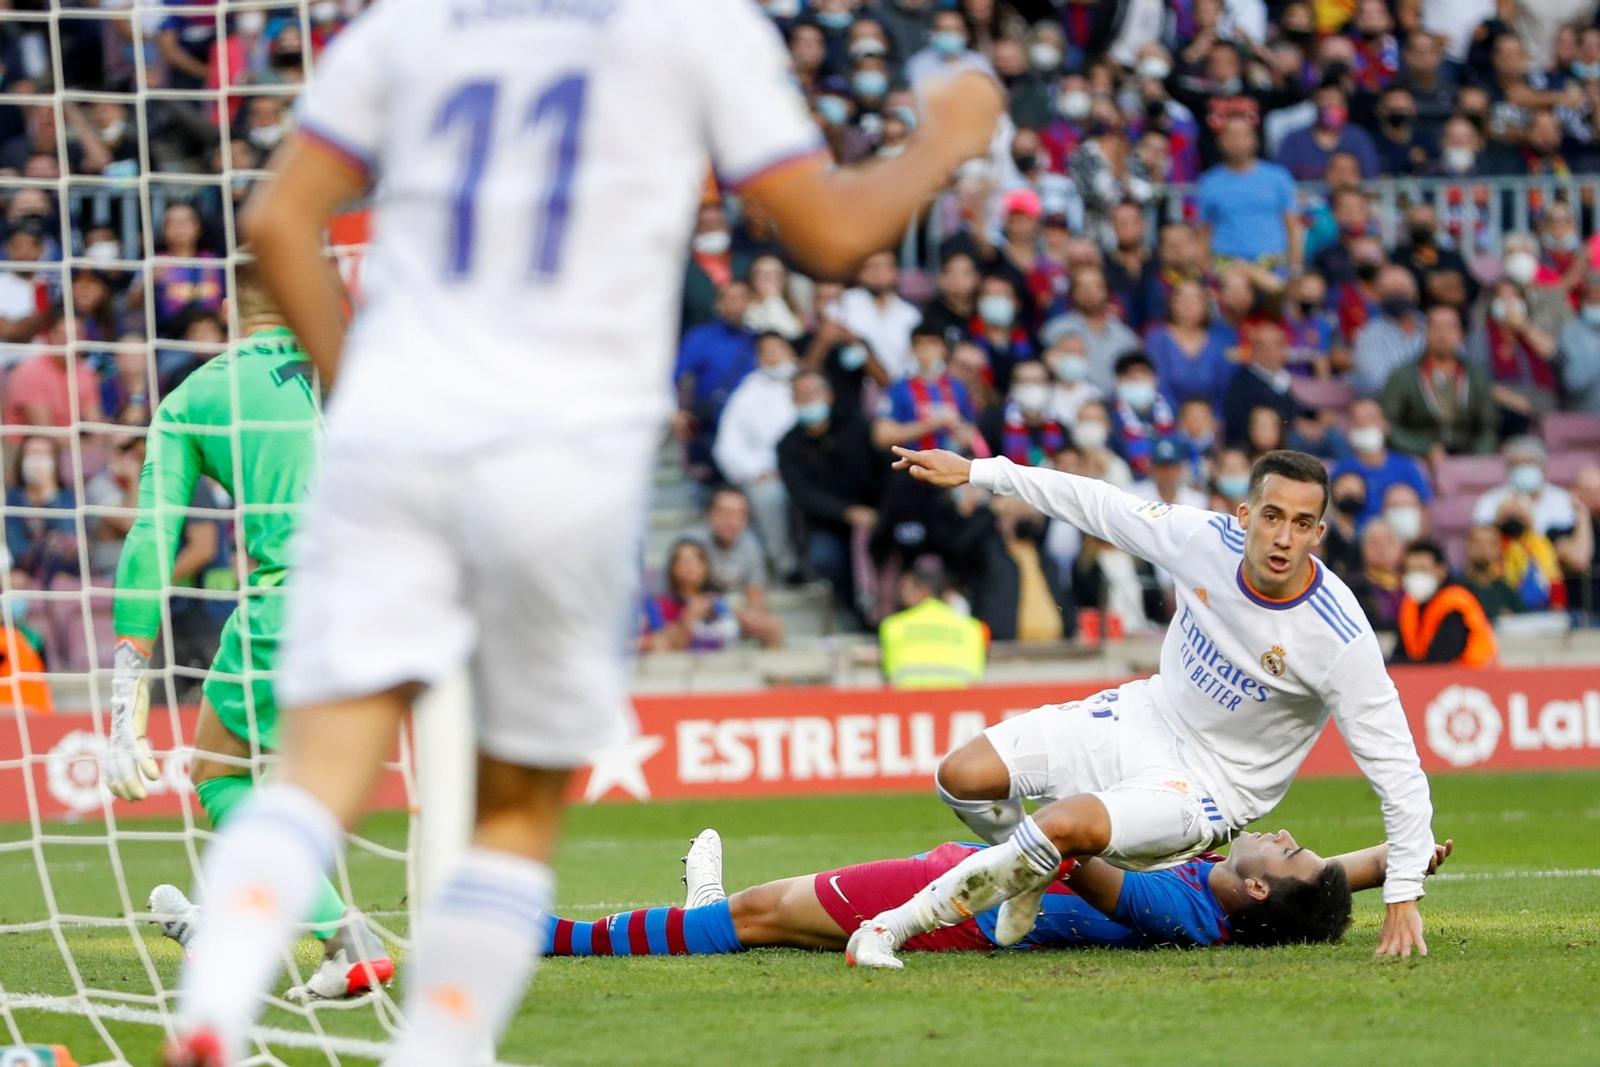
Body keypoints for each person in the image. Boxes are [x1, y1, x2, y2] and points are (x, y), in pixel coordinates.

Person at [167, 0, 1005, 1061]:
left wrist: (361, 391)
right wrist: (945, 138)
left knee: (318, 761)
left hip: (397, 430)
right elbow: (830, 230)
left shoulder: (409, 24)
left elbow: (279, 223)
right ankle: (440, 1048)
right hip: (560, 451)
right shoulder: (691, 26)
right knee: (515, 803)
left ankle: (214, 1003)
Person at [852, 446, 1436, 968]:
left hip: (1208, 788)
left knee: (1064, 827)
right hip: (1143, 715)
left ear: (1319, 533)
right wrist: (981, 472)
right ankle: (1027, 878)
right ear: (1245, 516)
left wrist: (1403, 891)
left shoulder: (1338, 634)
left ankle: (889, 928)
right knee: (961, 777)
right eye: (1273, 516)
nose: (1284, 537)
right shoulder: (1203, 540)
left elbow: (1395, 763)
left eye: (1302, 523)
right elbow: (1098, 504)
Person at [98, 266, 392, 1001]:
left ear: (230, 309)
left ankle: (345, 938)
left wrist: (127, 681)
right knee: (288, 784)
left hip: (296, 596)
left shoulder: (195, 397)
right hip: (393, 592)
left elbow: (150, 540)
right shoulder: (357, 363)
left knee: (218, 774)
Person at [536, 827, 1452, 961]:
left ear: (1255, 886)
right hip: (960, 896)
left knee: (752, 918)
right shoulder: (1231, 892)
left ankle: (557, 937)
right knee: (769, 920)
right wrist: (1406, 857)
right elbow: (1328, 882)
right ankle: (705, 898)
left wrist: (1067, 794)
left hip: (952, 901)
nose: (1290, 835)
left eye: (1289, 852)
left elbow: (1069, 847)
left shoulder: (1179, 910)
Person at [777, 370, 885, 618]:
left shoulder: (857, 426)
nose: (808, 400)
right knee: (824, 557)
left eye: (813, 393)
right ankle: (853, 611)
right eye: (801, 395)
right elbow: (802, 494)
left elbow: (881, 471)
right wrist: (847, 512)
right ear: (793, 400)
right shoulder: (788, 445)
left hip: (875, 516)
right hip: (828, 524)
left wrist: (878, 512)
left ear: (828, 394)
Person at [714, 332, 801, 577]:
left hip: (811, 470)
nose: (773, 355)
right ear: (757, 359)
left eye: (778, 348)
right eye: (766, 351)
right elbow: (727, 446)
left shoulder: (809, 382)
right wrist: (754, 471)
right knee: (769, 495)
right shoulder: (746, 394)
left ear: (791, 351)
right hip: (768, 474)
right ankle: (784, 562)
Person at [1381, 306, 1499, 461]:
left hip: (1467, 455)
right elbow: (1387, 425)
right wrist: (1424, 449)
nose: (1443, 335)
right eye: (1436, 327)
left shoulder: (1477, 374)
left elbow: (1489, 425)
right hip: (1418, 458)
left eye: (1450, 328)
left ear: (1461, 334)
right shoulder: (1403, 376)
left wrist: (1478, 457)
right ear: (1425, 332)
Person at [1196, 116, 1302, 274]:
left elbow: (1293, 227)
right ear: (1220, 141)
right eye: (1231, 136)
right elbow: (1203, 233)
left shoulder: (1279, 177)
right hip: (1226, 264)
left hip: (1273, 262)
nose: (1238, 142)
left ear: (1255, 140)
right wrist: (1205, 273)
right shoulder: (1209, 182)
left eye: (1243, 136)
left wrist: (1295, 268)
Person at [674, 281, 758, 478]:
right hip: (711, 430)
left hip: (750, 434)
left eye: (742, 299)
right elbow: (680, 378)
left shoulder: (758, 338)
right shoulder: (700, 337)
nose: (736, 305)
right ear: (719, 304)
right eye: (730, 299)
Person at [690, 488, 783, 649]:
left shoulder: (750, 545)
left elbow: (756, 591)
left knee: (772, 626)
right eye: (725, 512)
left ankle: (778, 674)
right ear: (710, 514)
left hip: (731, 613)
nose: (731, 520)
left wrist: (753, 614)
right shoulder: (692, 544)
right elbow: (687, 595)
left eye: (739, 514)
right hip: (697, 614)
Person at [878, 556, 986, 689]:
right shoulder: (973, 628)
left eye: (905, 589)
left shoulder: (892, 626)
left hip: (908, 706)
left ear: (923, 590)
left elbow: (888, 682)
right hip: (959, 707)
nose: (900, 595)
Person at [873, 324, 979, 454]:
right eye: (920, 345)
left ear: (944, 349)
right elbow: (882, 436)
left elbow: (972, 432)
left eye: (932, 344)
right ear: (912, 350)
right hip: (911, 468)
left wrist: (962, 432)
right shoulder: (899, 389)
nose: (926, 351)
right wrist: (934, 424)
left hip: (950, 469)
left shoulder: (959, 388)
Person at [1391, 539, 1496, 666]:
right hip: (1432, 677)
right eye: (1411, 570)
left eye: (1423, 569)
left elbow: (1440, 659)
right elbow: (1400, 652)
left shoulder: (1456, 603)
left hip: (1475, 678)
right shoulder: (1411, 604)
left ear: (1441, 570)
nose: (1416, 575)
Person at [1330, 399, 1432, 524]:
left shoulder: (1408, 467)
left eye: (1371, 418)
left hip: (1398, 539)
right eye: (1358, 421)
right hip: (1358, 538)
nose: (1365, 424)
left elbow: (1425, 510)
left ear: (1385, 424)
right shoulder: (1343, 470)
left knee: (1401, 496)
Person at [1039, 265, 1138, 393]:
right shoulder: (1055, 330)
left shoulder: (1124, 335)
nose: (1089, 291)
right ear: (1072, 292)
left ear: (1107, 291)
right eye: (1082, 286)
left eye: (1096, 285)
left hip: (1115, 404)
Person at [1146, 279, 1233, 412]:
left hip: (1210, 422)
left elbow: (1223, 390)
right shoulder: (1157, 338)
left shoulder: (1218, 341)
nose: (1188, 304)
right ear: (1172, 303)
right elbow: (1159, 388)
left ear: (1205, 305)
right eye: (1183, 298)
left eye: (1195, 299)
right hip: (1168, 420)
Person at [640, 539, 743, 653]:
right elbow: (668, 648)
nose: (690, 565)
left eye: (696, 559)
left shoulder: (717, 602)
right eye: (683, 561)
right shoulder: (662, 606)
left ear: (706, 566)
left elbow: (731, 640)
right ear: (673, 569)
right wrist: (689, 617)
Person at [836, 250, 921, 382]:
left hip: (898, 388)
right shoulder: (846, 301)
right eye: (870, 267)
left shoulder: (910, 314)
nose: (877, 273)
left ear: (895, 271)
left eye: (883, 266)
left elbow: (915, 361)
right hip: (850, 384)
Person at [3, 437, 77, 588]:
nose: (37, 461)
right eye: (32, 454)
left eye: (43, 455)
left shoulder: (67, 497)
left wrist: (50, 495)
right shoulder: (12, 498)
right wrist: (45, 544)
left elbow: (70, 538)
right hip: (25, 567)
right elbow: (17, 548)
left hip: (63, 566)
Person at [1221, 321, 1301, 447]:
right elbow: (1238, 424)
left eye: (1278, 345)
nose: (1272, 352)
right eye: (1265, 347)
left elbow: (1295, 408)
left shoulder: (1282, 377)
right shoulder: (1242, 382)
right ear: (1254, 349)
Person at [1351, 266, 1426, 399]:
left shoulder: (1433, 326)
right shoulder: (1369, 334)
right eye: (1390, 294)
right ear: (1379, 297)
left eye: (1402, 292)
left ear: (1416, 294)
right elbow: (1377, 382)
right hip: (1391, 407)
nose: (1397, 299)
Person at [1107, 351, 1175, 479]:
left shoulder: (1170, 410)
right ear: (1118, 382)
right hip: (1125, 484)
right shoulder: (1108, 412)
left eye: (1143, 377)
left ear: (1155, 379)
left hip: (1162, 480)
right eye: (1132, 378)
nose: (1138, 382)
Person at [983, 359, 1063, 467]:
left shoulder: (1059, 427)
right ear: (1014, 386)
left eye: (1038, 382)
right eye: (1026, 382)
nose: (1032, 387)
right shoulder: (991, 422)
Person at [1460, 524, 1523, 620]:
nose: (1483, 548)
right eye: (1477, 542)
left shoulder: (1506, 591)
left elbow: (1525, 621)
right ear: (1467, 547)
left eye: (1490, 543)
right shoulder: (1456, 588)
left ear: (1498, 550)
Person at [1558, 272, 1600, 413]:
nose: (1595, 298)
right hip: (1584, 416)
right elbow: (1572, 382)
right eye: (1590, 295)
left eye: (1599, 296)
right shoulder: (1571, 331)